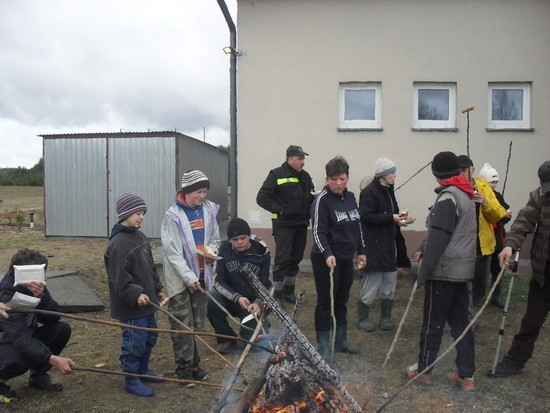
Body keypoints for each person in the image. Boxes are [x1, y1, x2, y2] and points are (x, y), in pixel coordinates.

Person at [407, 152, 477, 390]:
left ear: (437, 175)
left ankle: (424, 370)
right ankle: (466, 375)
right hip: (463, 271)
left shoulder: (448, 198)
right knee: (461, 324)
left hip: (444, 272)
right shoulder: (466, 195)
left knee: (432, 323)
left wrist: (422, 275)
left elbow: (438, 240)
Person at [161, 170, 220, 386]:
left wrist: (212, 252)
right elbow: (172, 252)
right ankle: (183, 370)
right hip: (181, 280)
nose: (202, 196)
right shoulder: (173, 216)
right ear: (186, 192)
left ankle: (195, 366)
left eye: (204, 191)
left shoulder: (208, 211)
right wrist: (188, 276)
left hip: (202, 277)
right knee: (181, 325)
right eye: (198, 192)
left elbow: (215, 238)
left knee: (197, 323)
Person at [104, 193, 166, 397]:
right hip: (131, 307)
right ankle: (131, 378)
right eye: (137, 213)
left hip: (148, 304)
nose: (141, 217)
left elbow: (149, 267)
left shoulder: (140, 236)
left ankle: (143, 370)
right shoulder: (118, 244)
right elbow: (118, 279)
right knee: (134, 341)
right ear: (124, 214)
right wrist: (136, 294)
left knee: (149, 337)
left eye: (143, 213)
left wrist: (157, 288)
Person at [492, 160, 550, 378]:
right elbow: (522, 222)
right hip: (543, 274)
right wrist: (509, 246)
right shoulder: (538, 196)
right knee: (531, 321)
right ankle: (514, 361)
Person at [310, 156, 366, 360]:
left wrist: (361, 250)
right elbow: (318, 232)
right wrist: (327, 253)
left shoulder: (351, 198)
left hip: (346, 258)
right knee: (326, 301)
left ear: (347, 178)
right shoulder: (321, 202)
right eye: (334, 179)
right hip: (325, 259)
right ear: (327, 179)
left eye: (342, 178)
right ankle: (323, 344)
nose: (338, 183)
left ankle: (341, 339)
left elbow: (357, 226)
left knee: (342, 299)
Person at [0, 248, 75, 401]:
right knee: (19, 358)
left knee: (61, 329)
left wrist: (40, 297)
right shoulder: (5, 295)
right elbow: (20, 338)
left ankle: (38, 376)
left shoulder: (35, 287)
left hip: (23, 336)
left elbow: (53, 318)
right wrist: (52, 359)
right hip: (6, 342)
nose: (43, 278)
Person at [256, 145, 315, 305]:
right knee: (282, 259)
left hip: (301, 224)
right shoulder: (276, 174)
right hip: (284, 225)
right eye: (300, 158)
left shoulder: (305, 176)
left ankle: (289, 292)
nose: (303, 162)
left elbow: (308, 197)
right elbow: (262, 198)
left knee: (295, 258)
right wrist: (280, 210)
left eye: (304, 158)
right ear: (290, 158)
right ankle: (277, 295)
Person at [358, 157, 410, 332]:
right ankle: (363, 318)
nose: (395, 175)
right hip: (374, 246)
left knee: (389, 282)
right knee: (372, 282)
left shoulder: (389, 190)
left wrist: (400, 219)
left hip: (390, 244)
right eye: (392, 172)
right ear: (383, 174)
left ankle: (385, 318)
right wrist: (391, 218)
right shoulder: (369, 192)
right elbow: (365, 216)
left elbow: (392, 212)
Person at [207, 218, 272, 354]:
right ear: (230, 240)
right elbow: (218, 281)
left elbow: (268, 284)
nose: (240, 242)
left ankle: (251, 328)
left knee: (257, 346)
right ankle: (226, 338)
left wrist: (259, 302)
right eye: (235, 239)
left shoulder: (262, 251)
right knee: (212, 299)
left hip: (253, 304)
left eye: (243, 238)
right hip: (232, 298)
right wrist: (237, 297)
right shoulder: (223, 250)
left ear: (249, 236)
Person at [458, 155, 507, 311]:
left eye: (464, 170)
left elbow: (499, 214)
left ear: (472, 170)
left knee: (479, 284)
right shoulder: (454, 187)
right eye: (458, 171)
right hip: (461, 246)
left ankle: (470, 313)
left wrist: (485, 202)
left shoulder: (484, 187)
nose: (461, 174)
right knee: (461, 285)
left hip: (481, 246)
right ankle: (464, 317)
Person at [478, 163, 512, 308]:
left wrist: (504, 215)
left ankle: (495, 296)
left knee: (497, 269)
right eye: (492, 182)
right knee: (481, 272)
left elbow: (505, 212)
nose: (494, 185)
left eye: (496, 182)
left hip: (498, 239)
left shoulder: (497, 196)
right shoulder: (478, 195)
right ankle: (479, 296)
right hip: (485, 240)